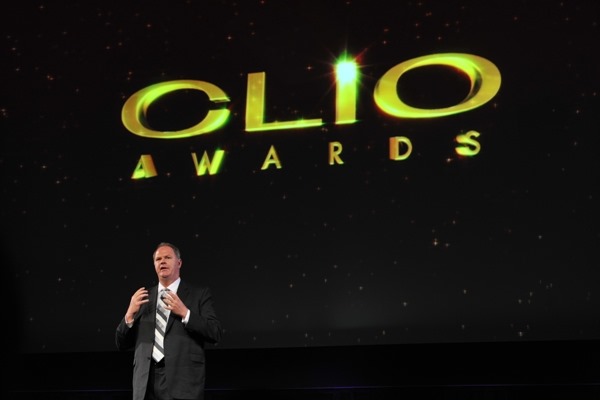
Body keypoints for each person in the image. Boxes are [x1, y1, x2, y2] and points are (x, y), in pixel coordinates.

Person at [116, 242, 222, 400]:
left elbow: (215, 332)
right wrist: (129, 315)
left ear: (179, 263)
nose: (162, 262)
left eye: (167, 257)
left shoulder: (199, 294)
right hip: (146, 383)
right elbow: (121, 343)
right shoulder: (143, 298)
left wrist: (185, 313)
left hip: (182, 382)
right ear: (154, 265)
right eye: (158, 259)